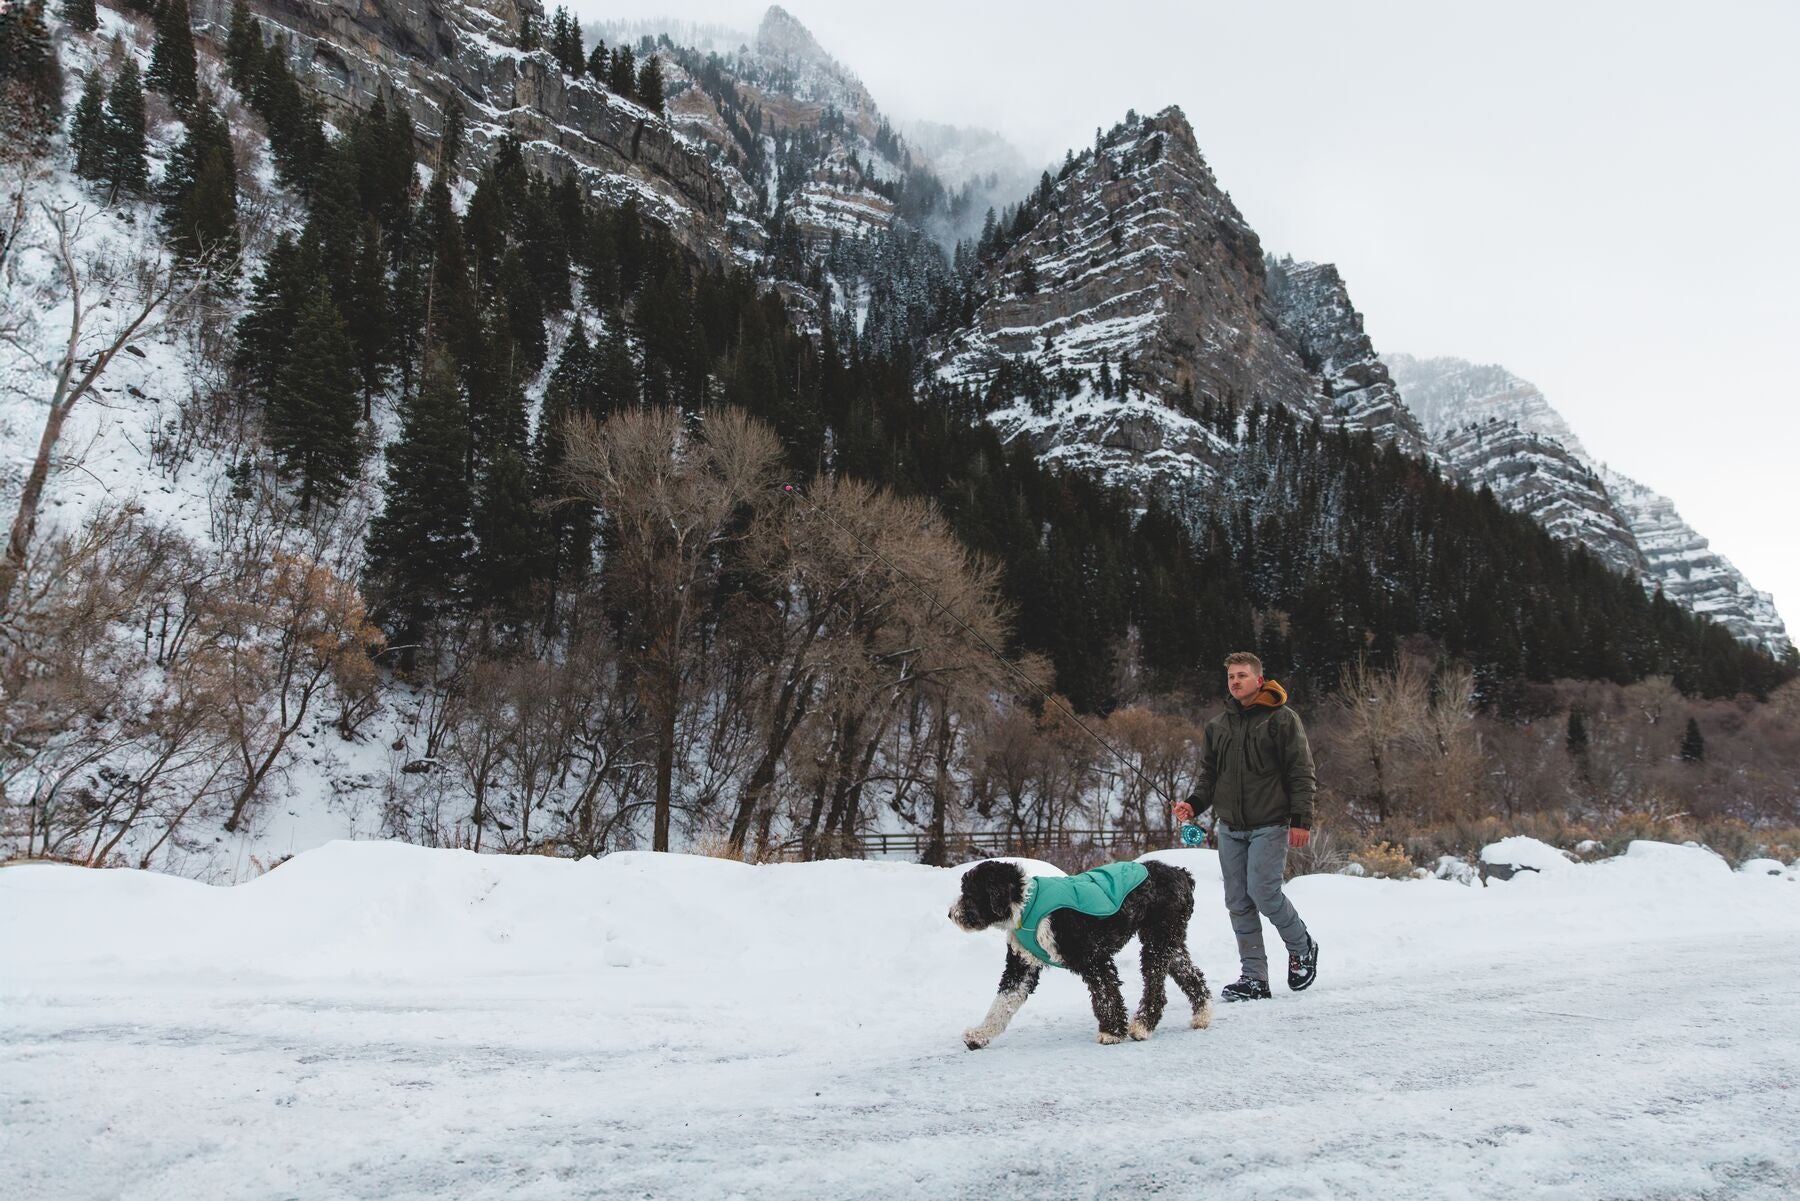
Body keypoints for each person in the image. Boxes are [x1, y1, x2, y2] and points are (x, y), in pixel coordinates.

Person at [1172, 652, 1319, 1001]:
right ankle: (1254, 977)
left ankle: (1302, 947)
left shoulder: (1283, 720)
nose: (1235, 681)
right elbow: (1209, 777)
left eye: (1242, 675)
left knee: (1264, 893)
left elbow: (1301, 772)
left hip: (1270, 823)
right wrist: (1193, 804)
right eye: (1230, 677)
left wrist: (1301, 820)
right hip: (1230, 828)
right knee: (1238, 901)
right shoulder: (1217, 726)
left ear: (1259, 679)